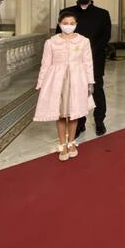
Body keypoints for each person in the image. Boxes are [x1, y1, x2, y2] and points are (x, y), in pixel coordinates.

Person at [35, 12, 95, 161]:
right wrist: (41, 84)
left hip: (77, 79)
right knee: (60, 113)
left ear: (76, 24)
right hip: (57, 80)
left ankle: (71, 142)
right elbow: (45, 64)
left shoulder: (83, 41)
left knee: (74, 112)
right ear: (59, 24)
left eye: (72, 23)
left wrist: (90, 82)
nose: (68, 26)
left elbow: (88, 63)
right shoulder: (51, 42)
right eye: (65, 23)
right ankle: (62, 144)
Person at [58, 0, 111, 138]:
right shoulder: (66, 12)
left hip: (95, 59)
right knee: (76, 93)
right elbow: (59, 35)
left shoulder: (102, 14)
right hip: (73, 61)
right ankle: (79, 124)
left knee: (97, 91)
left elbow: (105, 37)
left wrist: (88, 51)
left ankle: (99, 121)